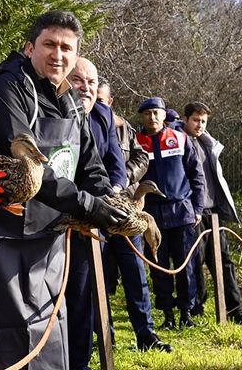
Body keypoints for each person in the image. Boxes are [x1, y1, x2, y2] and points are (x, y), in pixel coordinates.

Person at [0, 10, 127, 369]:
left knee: (51, 329)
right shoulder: (6, 88)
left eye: (66, 48)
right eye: (49, 44)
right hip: (9, 237)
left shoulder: (73, 100)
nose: (57, 54)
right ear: (30, 47)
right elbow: (29, 171)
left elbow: (90, 164)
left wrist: (109, 202)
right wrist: (90, 206)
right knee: (17, 335)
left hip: (53, 236)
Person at [95, 80, 172, 352]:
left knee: (136, 274)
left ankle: (146, 334)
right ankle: (105, 336)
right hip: (94, 214)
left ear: (110, 102)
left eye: (101, 100)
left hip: (127, 212)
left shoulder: (123, 128)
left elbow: (142, 159)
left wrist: (121, 179)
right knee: (100, 277)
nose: (96, 105)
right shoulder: (80, 123)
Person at [65, 57, 129, 369]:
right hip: (59, 219)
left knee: (87, 294)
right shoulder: (56, 110)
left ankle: (81, 360)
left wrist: (114, 197)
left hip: (96, 220)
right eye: (78, 80)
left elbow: (110, 165)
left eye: (91, 83)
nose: (86, 88)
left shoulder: (103, 115)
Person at [136, 97, 205, 331]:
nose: (152, 117)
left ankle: (186, 311)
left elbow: (197, 176)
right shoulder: (137, 143)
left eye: (156, 113)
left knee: (186, 266)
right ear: (142, 117)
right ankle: (167, 314)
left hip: (182, 212)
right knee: (158, 267)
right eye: (147, 113)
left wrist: (197, 209)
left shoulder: (181, 138)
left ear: (164, 115)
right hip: (152, 216)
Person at [183, 102, 242, 325]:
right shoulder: (179, 142)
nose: (199, 125)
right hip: (193, 212)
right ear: (186, 119)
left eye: (203, 121)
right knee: (195, 260)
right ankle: (195, 307)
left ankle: (236, 310)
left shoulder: (207, 142)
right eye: (195, 120)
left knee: (224, 260)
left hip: (213, 212)